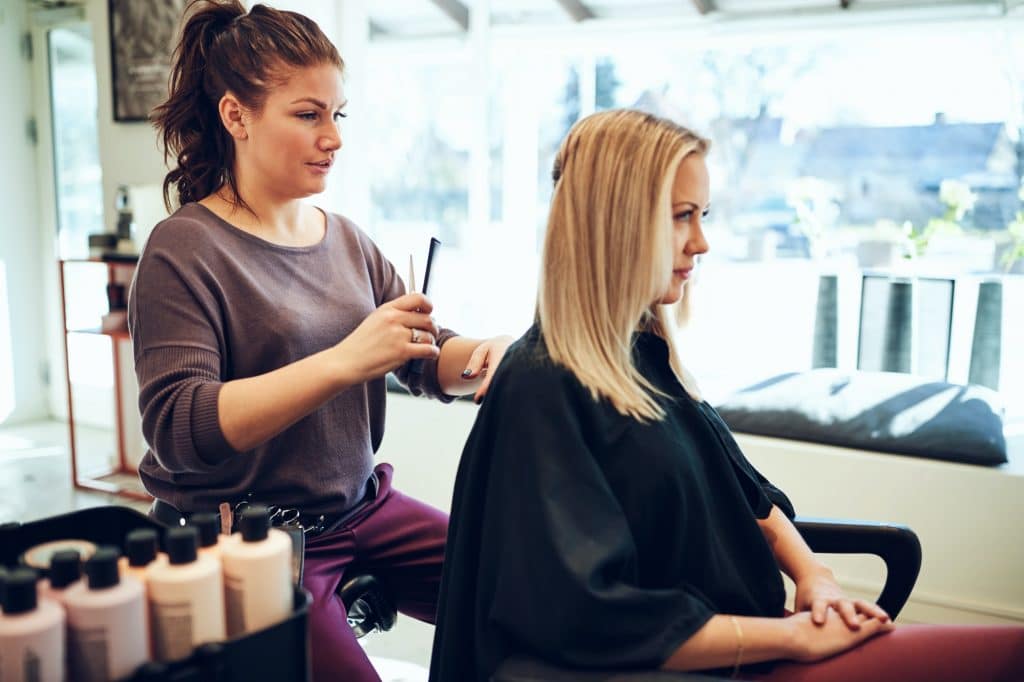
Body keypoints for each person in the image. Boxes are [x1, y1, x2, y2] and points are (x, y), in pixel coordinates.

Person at [428, 109, 1024, 682]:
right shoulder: (546, 388)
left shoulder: (643, 356)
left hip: (751, 646)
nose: (702, 243)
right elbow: (586, 618)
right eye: (683, 216)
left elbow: (751, 498)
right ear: (618, 224)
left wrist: (815, 578)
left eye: (703, 214)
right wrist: (793, 638)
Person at [131, 2, 512, 680]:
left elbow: (422, 350)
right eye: (308, 115)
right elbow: (180, 430)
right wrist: (343, 362)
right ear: (236, 117)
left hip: (365, 510)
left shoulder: (345, 238)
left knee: (521, 593)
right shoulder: (183, 248)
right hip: (252, 539)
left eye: (339, 115)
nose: (333, 137)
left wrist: (481, 361)